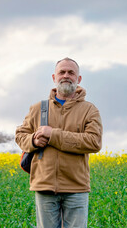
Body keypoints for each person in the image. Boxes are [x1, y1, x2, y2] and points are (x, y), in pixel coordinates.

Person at [15, 57, 102, 228]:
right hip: (44, 185)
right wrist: (33, 140)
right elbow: (20, 135)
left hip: (76, 187)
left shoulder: (89, 110)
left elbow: (94, 142)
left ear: (79, 79)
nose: (66, 75)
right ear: (54, 77)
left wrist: (52, 134)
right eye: (62, 72)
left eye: (71, 72)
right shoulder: (38, 108)